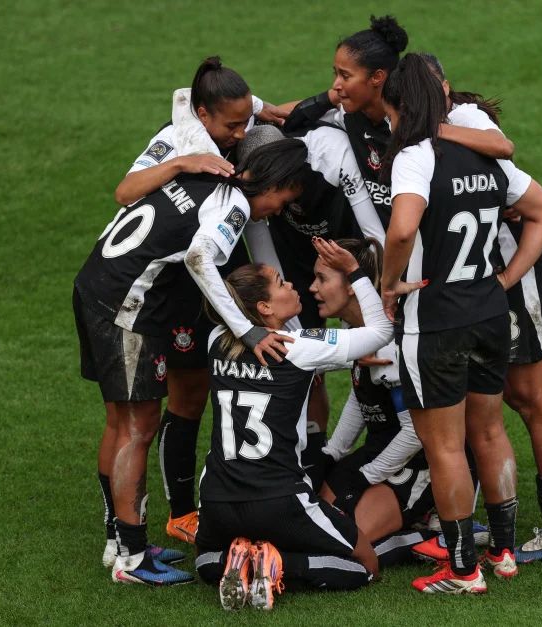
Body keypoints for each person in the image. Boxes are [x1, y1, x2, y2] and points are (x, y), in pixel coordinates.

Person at [74, 138, 307, 584]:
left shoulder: (206, 176)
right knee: (138, 428)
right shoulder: (234, 206)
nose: (278, 211)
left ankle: (119, 541)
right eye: (284, 200)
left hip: (95, 285)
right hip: (127, 306)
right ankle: (132, 561)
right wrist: (247, 327)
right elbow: (201, 259)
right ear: (275, 183)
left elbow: (185, 98)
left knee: (120, 422)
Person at [378, 54, 542, 593]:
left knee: (445, 447)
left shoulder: (414, 157)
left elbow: (403, 229)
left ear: (399, 107)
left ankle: (461, 570)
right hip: (487, 312)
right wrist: (504, 281)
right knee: (490, 430)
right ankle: (503, 551)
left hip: (434, 321)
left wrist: (389, 282)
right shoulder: (482, 154)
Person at [421, 53, 542, 560]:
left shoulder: (462, 125)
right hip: (512, 278)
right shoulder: (452, 125)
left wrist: (503, 280)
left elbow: (522, 193)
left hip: (518, 277)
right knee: (526, 402)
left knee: (530, 400)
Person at [111, 57, 292, 545]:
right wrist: (180, 163)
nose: (239, 132)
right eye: (231, 124)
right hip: (171, 289)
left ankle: (171, 514)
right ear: (203, 115)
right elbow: (125, 191)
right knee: (180, 400)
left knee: (197, 396)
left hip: (206, 279)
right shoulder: (176, 140)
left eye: (243, 122)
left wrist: (264, 108)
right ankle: (179, 512)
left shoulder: (232, 127)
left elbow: (231, 104)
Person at [194, 239, 424, 610]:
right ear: (265, 307)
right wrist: (355, 271)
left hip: (217, 498)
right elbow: (381, 331)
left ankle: (238, 559)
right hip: (279, 499)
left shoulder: (215, 340)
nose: (294, 286)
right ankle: (282, 563)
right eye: (282, 283)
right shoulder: (298, 345)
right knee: (367, 565)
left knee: (205, 561)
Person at [236, 124, 386, 488]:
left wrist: (373, 292)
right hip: (296, 260)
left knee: (376, 358)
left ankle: (330, 462)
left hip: (351, 250)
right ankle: (312, 461)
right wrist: (303, 342)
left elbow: (375, 236)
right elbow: (268, 267)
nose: (270, 204)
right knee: (310, 368)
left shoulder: (331, 157)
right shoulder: (254, 195)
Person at [284, 15, 513, 229]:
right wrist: (328, 97)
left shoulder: (418, 119)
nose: (336, 83)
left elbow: (502, 147)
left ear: (377, 77)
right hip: (395, 248)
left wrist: (430, 129)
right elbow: (291, 117)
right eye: (335, 74)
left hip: (434, 244)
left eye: (345, 76)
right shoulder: (349, 115)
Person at [310, 238, 439, 566]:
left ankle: (438, 533)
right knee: (318, 525)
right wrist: (332, 453)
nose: (312, 287)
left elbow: (415, 433)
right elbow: (360, 392)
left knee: (348, 544)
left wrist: (367, 475)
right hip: (380, 449)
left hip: (417, 460)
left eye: (322, 279)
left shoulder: (389, 343)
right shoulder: (353, 326)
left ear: (352, 288)